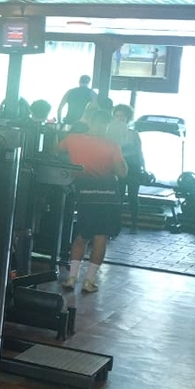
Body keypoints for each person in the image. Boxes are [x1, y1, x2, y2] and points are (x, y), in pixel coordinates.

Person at [58, 109, 128, 292]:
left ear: (89, 121)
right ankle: (88, 281)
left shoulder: (72, 139)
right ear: (107, 125)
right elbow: (122, 172)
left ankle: (72, 278)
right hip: (108, 196)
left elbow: (54, 152)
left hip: (85, 194)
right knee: (100, 237)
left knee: (82, 235)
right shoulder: (112, 144)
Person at [110, 104, 146, 233]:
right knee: (118, 195)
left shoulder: (133, 134)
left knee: (133, 196)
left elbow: (139, 151)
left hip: (133, 167)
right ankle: (116, 224)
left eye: (122, 116)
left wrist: (143, 166)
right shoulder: (112, 133)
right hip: (119, 165)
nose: (119, 119)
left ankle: (134, 224)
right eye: (117, 116)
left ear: (127, 118)